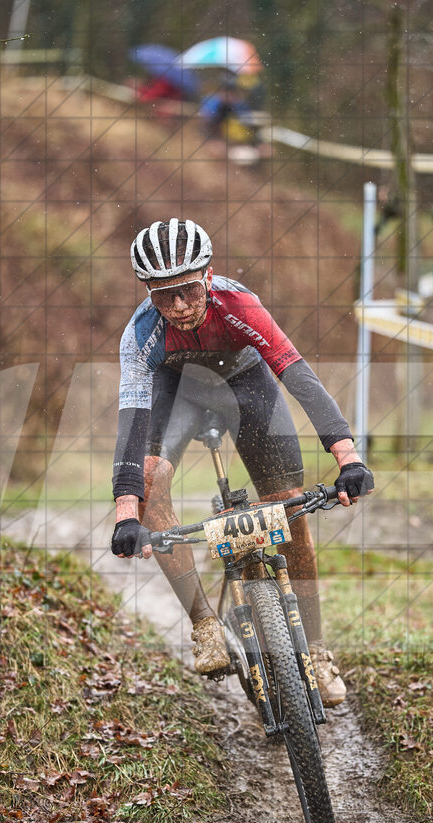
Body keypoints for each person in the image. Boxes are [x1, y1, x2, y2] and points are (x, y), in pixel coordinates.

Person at [111, 219, 374, 707]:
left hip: (245, 386)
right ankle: (204, 624)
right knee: (151, 477)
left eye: (187, 290)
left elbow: (297, 375)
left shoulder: (237, 304)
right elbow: (132, 423)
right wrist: (128, 511)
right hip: (177, 392)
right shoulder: (141, 335)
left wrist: (348, 457)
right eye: (162, 295)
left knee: (288, 507)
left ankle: (315, 650)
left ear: (208, 275)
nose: (178, 306)